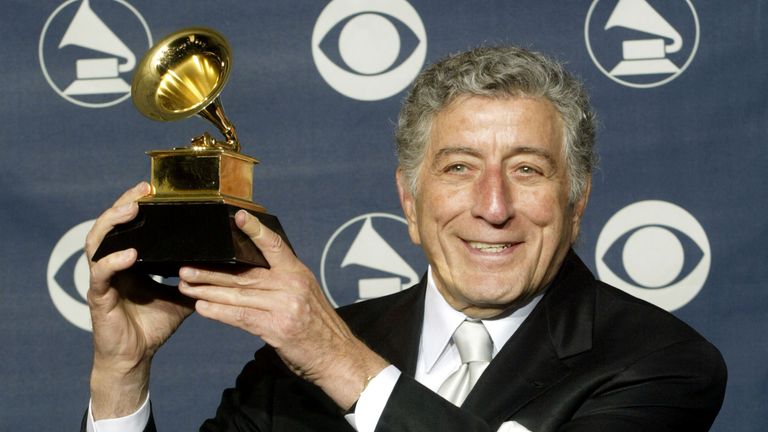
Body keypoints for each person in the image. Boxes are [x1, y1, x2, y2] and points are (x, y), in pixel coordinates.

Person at [82, 46, 726, 432]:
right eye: (459, 168)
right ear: (410, 204)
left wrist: (339, 361)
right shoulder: (290, 365)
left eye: (527, 169)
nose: (493, 206)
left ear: (577, 203)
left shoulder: (662, 364)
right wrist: (122, 375)